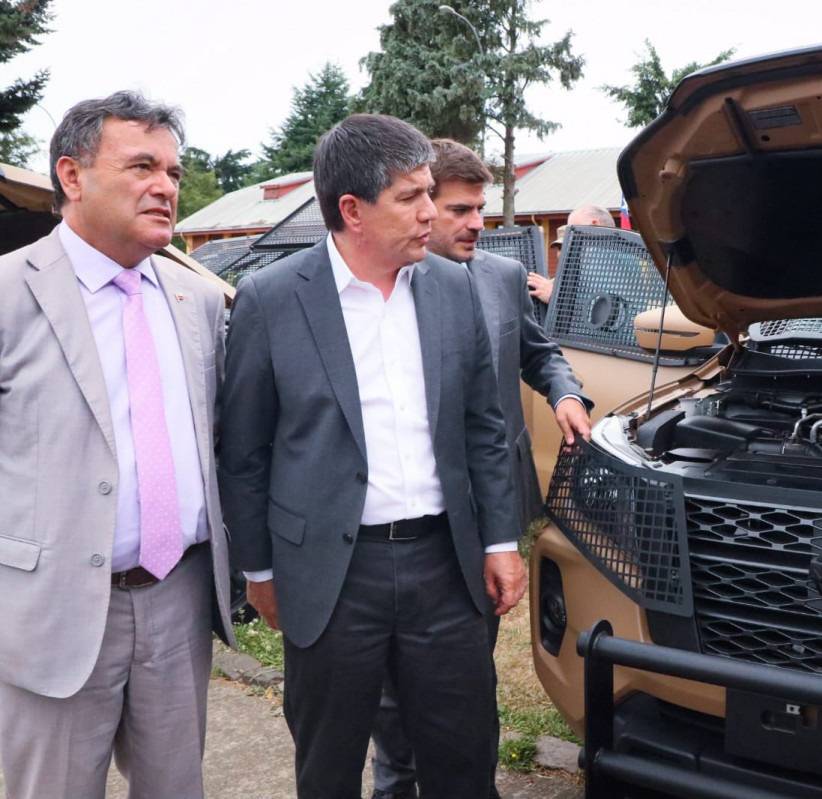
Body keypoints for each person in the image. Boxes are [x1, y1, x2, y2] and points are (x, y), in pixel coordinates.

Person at [217, 115, 526, 799]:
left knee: (463, 759)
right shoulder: (272, 300)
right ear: (351, 210)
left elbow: (483, 424)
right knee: (328, 766)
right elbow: (244, 448)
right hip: (330, 574)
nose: (429, 213)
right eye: (411, 197)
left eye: (429, 194)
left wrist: (501, 539)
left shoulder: (451, 287)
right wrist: (260, 569)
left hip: (446, 566)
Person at [0, 91, 234, 799]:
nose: (166, 186)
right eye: (141, 166)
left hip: (179, 594)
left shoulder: (197, 302)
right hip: (55, 610)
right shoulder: (9, 292)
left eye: (172, 169)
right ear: (72, 177)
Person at [368, 138, 593, 799]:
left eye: (481, 211)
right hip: (400, 519)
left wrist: (566, 391)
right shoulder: (379, 292)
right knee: (386, 679)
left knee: (466, 669)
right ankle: (395, 778)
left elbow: (538, 352)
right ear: (418, 207)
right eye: (460, 209)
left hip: (485, 519)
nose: (476, 225)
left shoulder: (497, 279)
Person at [528, 203, 616, 304]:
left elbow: (598, 311)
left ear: (594, 225)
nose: (573, 237)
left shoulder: (611, 264)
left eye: (575, 230)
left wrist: (553, 297)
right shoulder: (590, 265)